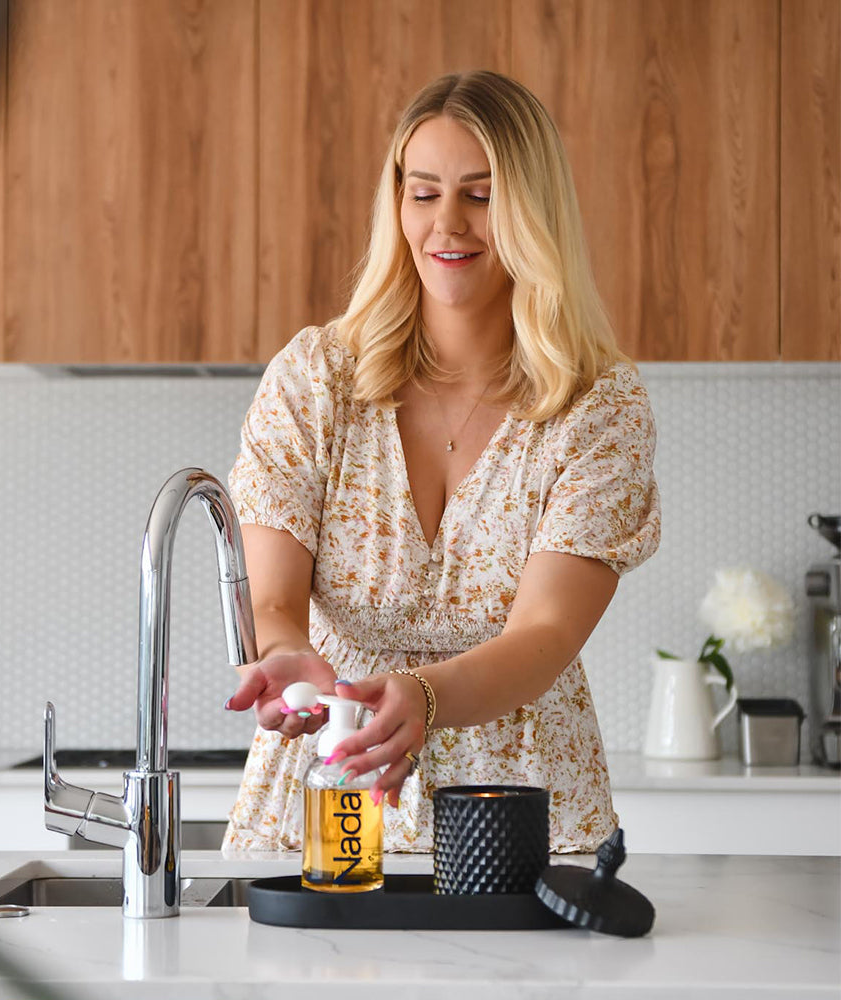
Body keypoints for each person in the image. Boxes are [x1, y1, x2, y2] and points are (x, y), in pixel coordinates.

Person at [222, 70, 660, 855]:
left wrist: (425, 695)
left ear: (533, 211)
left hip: (520, 812)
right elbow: (274, 600)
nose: (446, 224)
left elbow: (550, 630)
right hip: (331, 789)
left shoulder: (597, 403)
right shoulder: (316, 379)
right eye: (423, 193)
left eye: (481, 195)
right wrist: (286, 655)